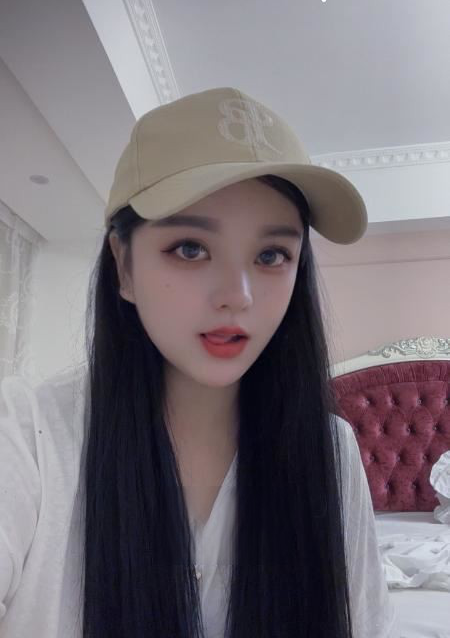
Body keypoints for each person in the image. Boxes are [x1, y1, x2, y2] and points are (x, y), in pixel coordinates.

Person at [0, 87, 398, 637]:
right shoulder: (27, 441)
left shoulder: (330, 450)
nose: (237, 295)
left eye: (271, 255)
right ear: (124, 265)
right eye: (190, 248)